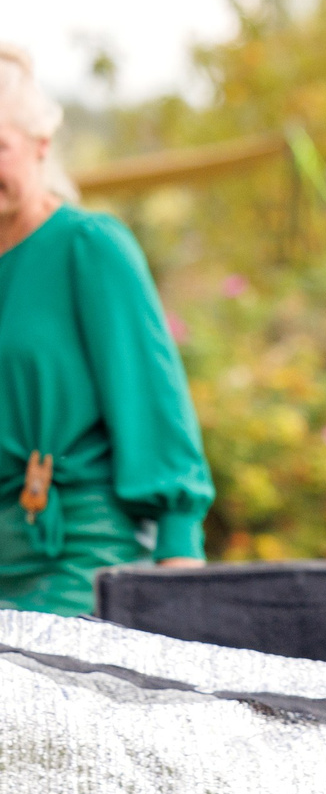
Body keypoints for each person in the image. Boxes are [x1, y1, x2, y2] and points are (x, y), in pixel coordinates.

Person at [0, 44, 211, 613]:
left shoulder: (88, 247)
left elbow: (155, 408)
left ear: (41, 148)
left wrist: (180, 572)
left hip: (76, 560)